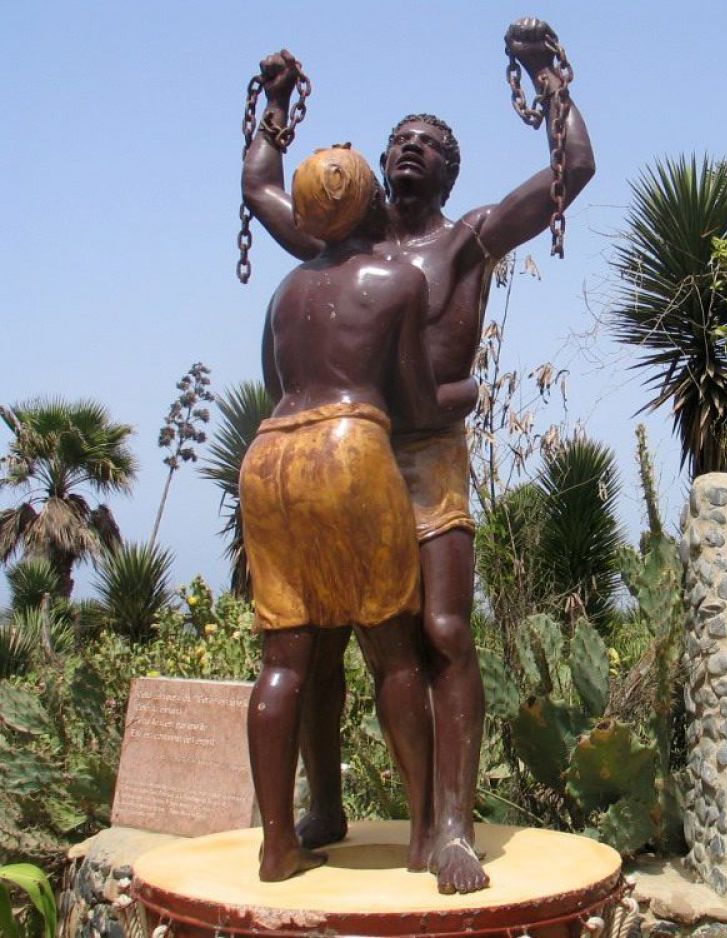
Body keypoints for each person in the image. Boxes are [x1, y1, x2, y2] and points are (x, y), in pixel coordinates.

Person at [241, 18, 595, 896]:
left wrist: (549, 80)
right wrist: (277, 107)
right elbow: (260, 191)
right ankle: (321, 808)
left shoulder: (464, 239)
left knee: (441, 632)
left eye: (428, 144)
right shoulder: (341, 238)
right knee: (315, 637)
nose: (409, 148)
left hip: (424, 458)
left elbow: (571, 172)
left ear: (448, 171)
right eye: (399, 138)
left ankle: (450, 825)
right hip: (339, 456)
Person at [243, 145, 463, 882]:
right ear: (369, 203)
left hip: (270, 458)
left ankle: (278, 845)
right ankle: (425, 832)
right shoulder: (396, 280)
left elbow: (276, 381)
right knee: (395, 651)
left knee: (285, 659)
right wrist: (462, 397)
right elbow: (413, 401)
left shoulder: (283, 294)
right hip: (349, 450)